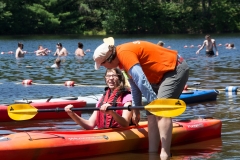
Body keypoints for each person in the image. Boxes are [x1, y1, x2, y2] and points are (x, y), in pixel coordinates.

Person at [93, 37, 189, 160]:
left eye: (102, 64)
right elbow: (134, 85)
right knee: (151, 113)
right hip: (157, 75)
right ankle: (152, 154)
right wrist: (136, 110)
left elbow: (141, 80)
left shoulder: (124, 54)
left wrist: (155, 104)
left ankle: (165, 154)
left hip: (174, 69)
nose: (104, 67)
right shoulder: (122, 62)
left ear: (109, 59)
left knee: (161, 110)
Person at [65, 68, 132, 130]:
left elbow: (126, 124)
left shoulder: (126, 97)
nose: (111, 78)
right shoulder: (102, 99)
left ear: (120, 78)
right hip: (104, 133)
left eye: (114, 76)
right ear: (105, 78)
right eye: (108, 76)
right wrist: (72, 114)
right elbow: (90, 125)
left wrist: (112, 113)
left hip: (120, 132)